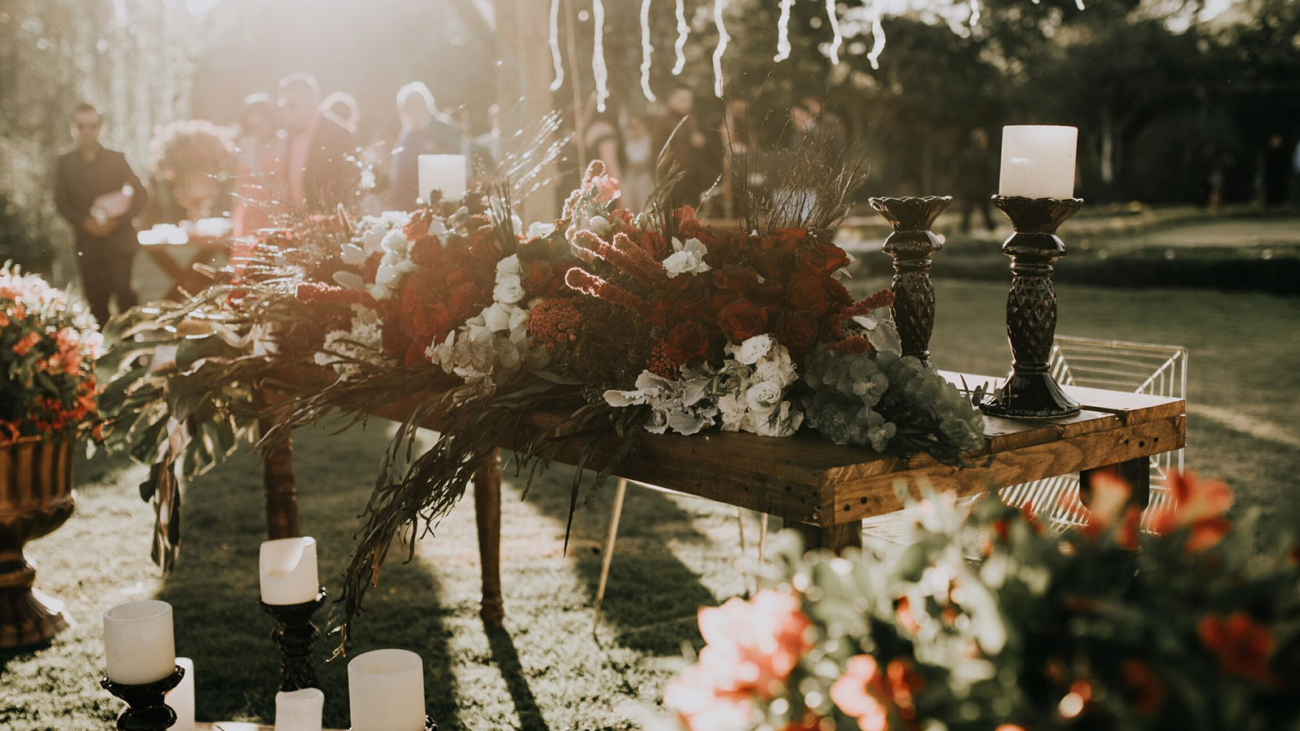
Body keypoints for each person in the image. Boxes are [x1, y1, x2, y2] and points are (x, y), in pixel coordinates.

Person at [53, 103, 148, 325]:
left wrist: (118, 222)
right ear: (73, 128)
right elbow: (61, 201)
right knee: (96, 303)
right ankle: (104, 355)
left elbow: (141, 194)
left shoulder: (117, 157)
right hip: (88, 244)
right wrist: (84, 223)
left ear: (101, 128)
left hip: (119, 241)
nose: (86, 131)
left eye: (92, 126)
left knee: (125, 297)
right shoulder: (64, 162)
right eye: (81, 126)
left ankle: (133, 355)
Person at [278, 73, 359, 213]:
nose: (286, 111)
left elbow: (349, 185)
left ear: (309, 101)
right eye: (283, 106)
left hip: (328, 224)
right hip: (296, 223)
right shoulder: (290, 133)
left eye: (290, 105)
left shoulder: (339, 133)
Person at [387, 81, 463, 211]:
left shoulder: (445, 130)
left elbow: (458, 164)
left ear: (425, 106)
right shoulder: (406, 135)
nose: (412, 113)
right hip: (411, 206)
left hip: (444, 205)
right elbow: (399, 173)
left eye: (416, 107)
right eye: (408, 109)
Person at [231, 93, 286, 238]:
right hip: (248, 216)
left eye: (260, 121)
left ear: (271, 119)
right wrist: (233, 216)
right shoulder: (246, 145)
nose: (256, 125)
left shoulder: (283, 143)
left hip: (276, 213)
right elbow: (239, 185)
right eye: (252, 124)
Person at [652, 85, 713, 206]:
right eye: (682, 99)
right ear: (671, 99)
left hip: (692, 176)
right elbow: (656, 151)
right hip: (671, 177)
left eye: (689, 100)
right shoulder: (663, 122)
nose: (687, 103)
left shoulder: (690, 119)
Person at [954, 128, 997, 233]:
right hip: (982, 189)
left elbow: (959, 173)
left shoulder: (965, 155)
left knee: (966, 215)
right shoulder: (985, 155)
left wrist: (958, 186)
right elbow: (990, 173)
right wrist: (993, 187)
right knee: (986, 214)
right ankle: (992, 232)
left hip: (968, 189)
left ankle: (963, 233)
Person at [621, 115, 655, 212]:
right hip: (631, 177)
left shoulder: (649, 140)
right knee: (630, 204)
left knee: (645, 203)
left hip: (645, 176)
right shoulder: (627, 143)